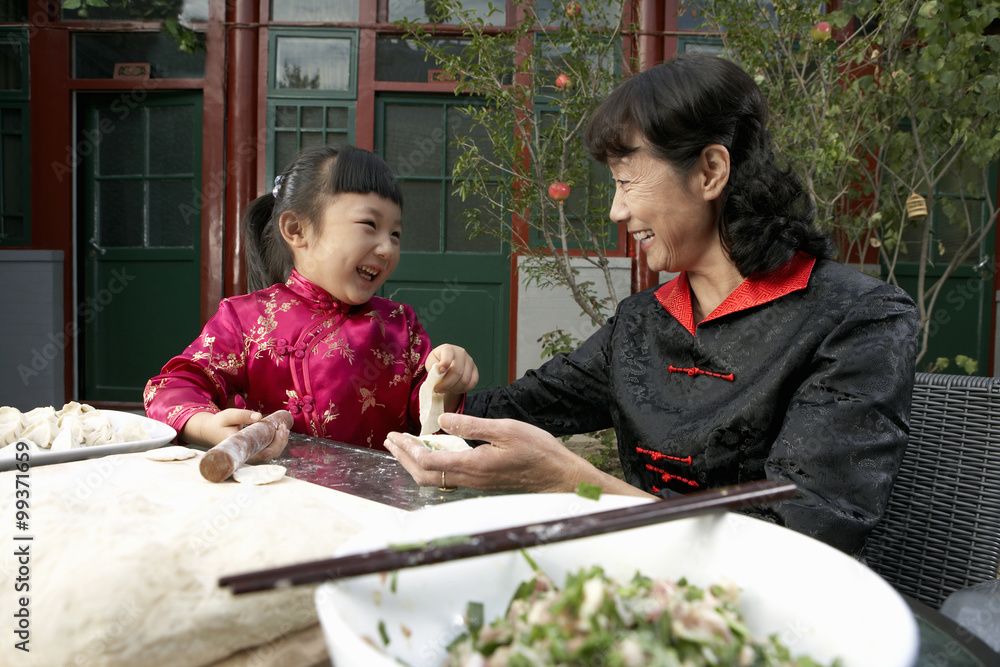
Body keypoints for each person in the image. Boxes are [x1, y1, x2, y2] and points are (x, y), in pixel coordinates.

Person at [384, 53, 919, 557]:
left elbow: (799, 542)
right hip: (636, 585)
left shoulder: (856, 319)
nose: (617, 210)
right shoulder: (644, 320)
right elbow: (517, 411)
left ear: (710, 171)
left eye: (625, 180)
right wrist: (446, 394)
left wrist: (572, 483)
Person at [145, 145, 479, 457]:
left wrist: (447, 378)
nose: (387, 248)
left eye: (395, 233)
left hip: (379, 505)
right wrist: (205, 425)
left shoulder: (399, 324)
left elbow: (426, 420)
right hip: (279, 498)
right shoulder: (246, 318)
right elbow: (171, 386)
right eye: (369, 225)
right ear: (297, 230)